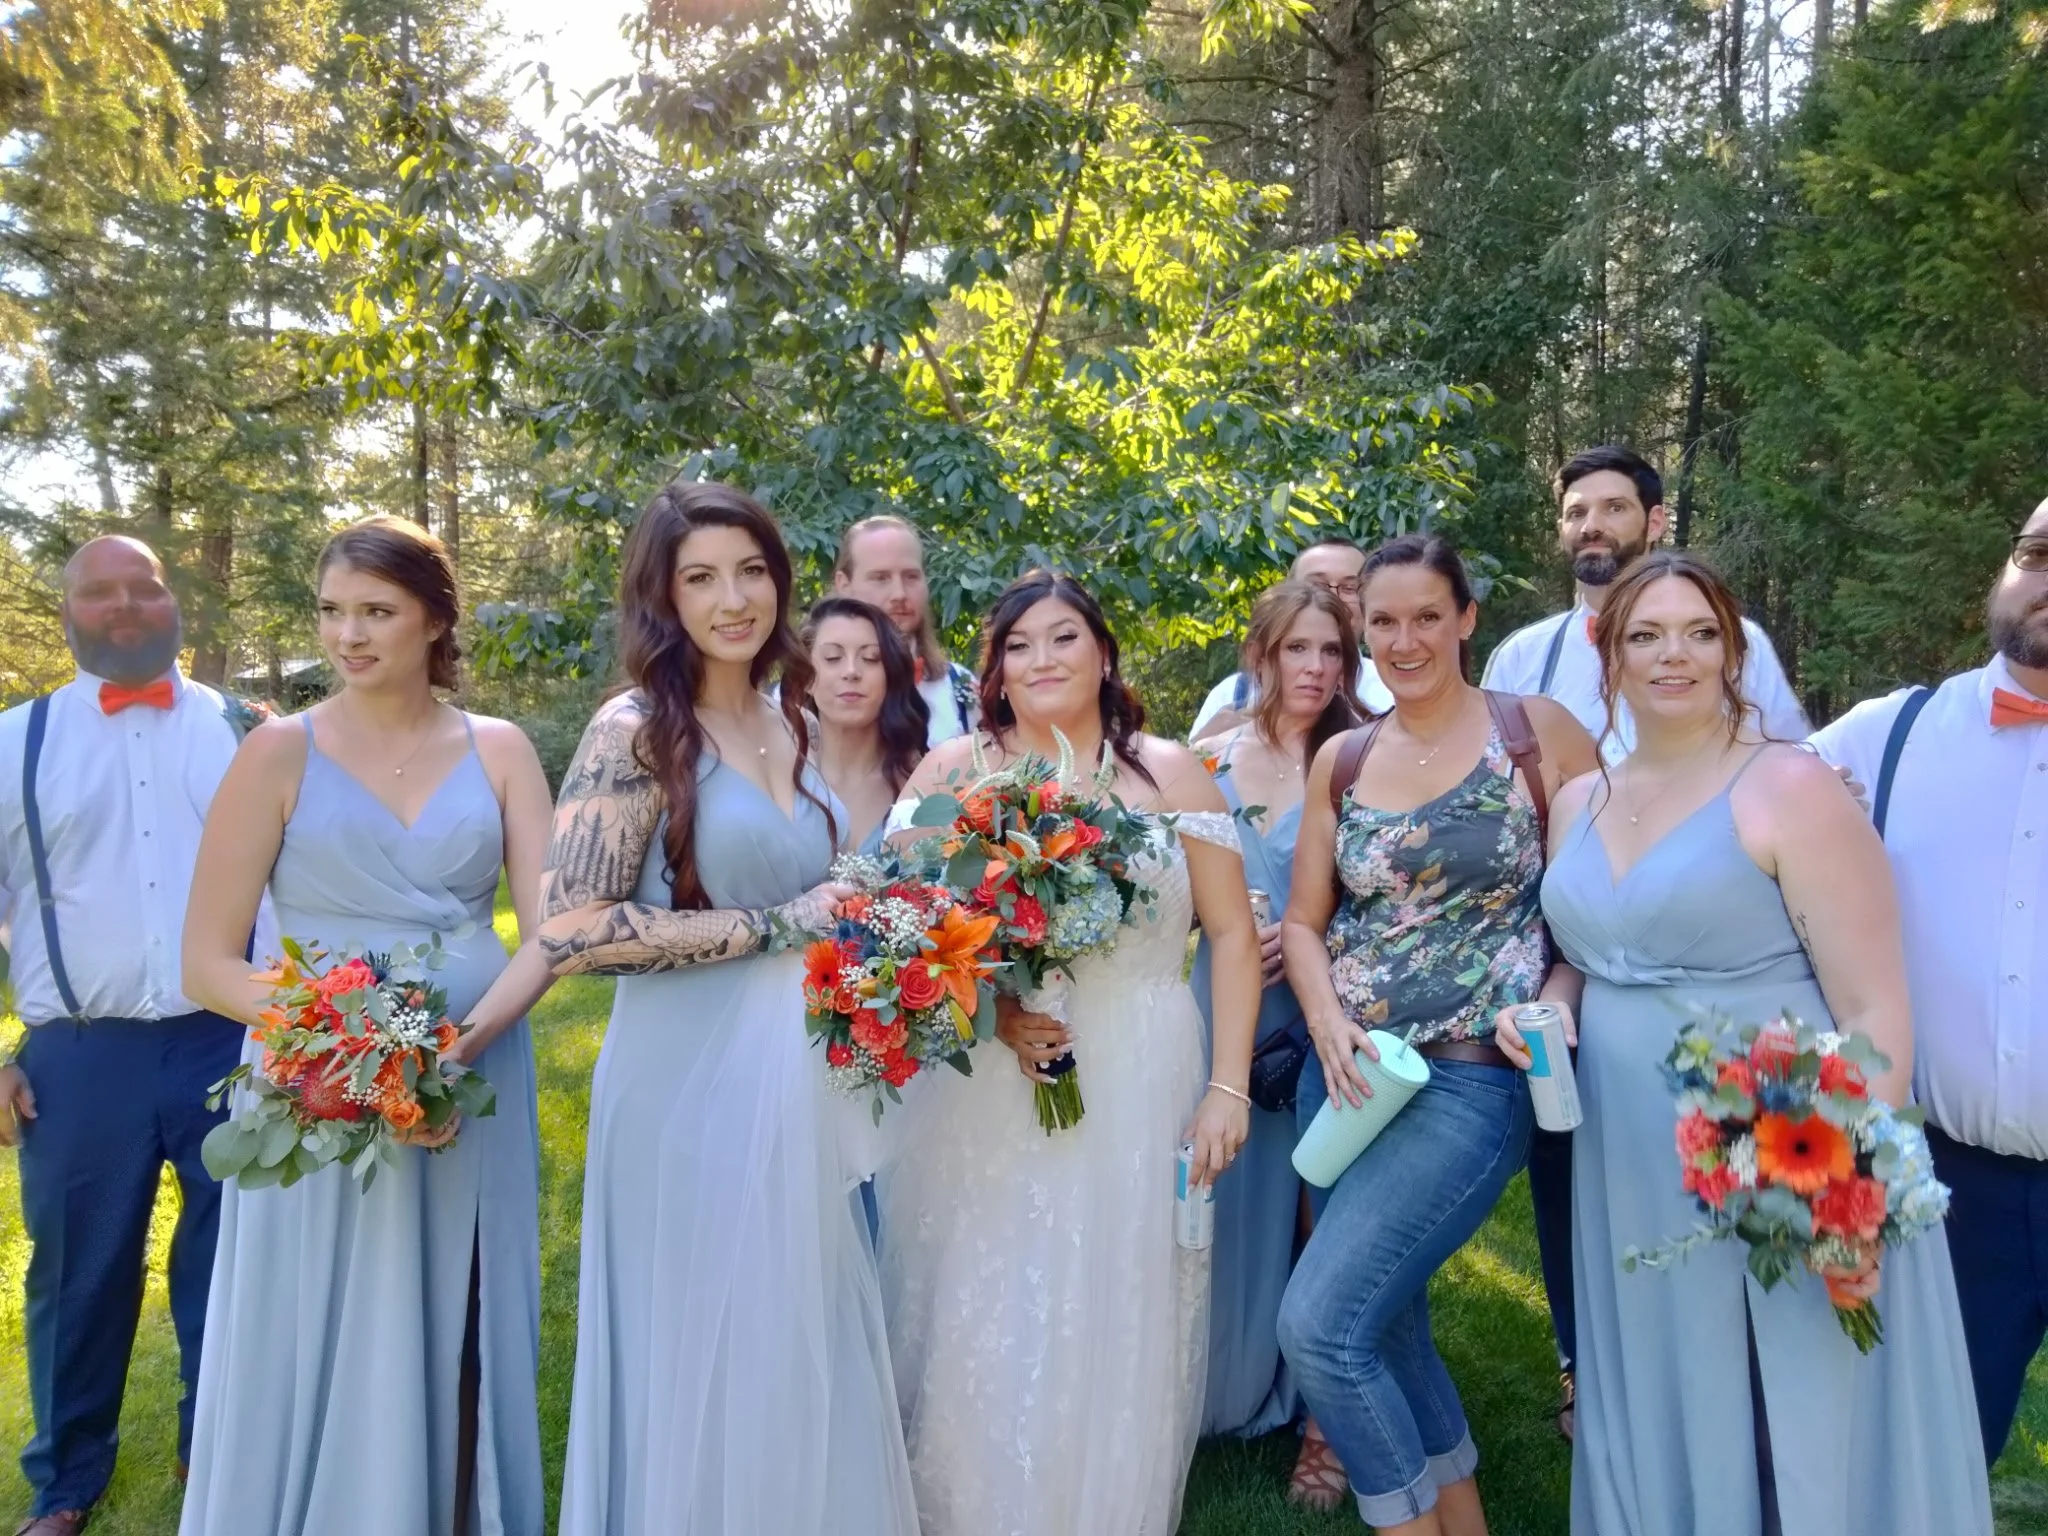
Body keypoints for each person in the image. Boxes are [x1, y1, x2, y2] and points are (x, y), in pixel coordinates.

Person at [1501, 548, 1991, 1536]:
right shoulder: (1577, 798)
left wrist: (1848, 1191)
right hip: (1623, 1151)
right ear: (1607, 650)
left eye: (1697, 633)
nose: (1670, 655)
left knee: (1789, 1398)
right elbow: (1592, 957)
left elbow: (1873, 1010)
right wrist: (1544, 1006)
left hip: (1773, 1129)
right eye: (1644, 634)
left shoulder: (1787, 790)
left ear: (1732, 649)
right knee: (1663, 1379)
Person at [543, 482, 919, 1536]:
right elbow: (570, 930)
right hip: (682, 1087)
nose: (733, 598)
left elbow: (831, 891)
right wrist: (769, 927)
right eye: (700, 577)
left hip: (795, 1074)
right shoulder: (634, 729)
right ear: (661, 595)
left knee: (792, 1329)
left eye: (751, 570)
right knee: (704, 1334)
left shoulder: (788, 711)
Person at [179, 518, 556, 1536]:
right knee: (320, 1313)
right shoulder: (275, 753)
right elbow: (208, 962)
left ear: (434, 619)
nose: (348, 634)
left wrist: (453, 1047)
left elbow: (552, 932)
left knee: (459, 1305)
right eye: (332, 611)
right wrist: (350, 1043)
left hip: (474, 1074)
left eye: (375, 611)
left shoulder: (502, 751)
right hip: (317, 1080)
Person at [877, 569, 1261, 1536]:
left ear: (1103, 655)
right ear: (994, 670)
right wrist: (995, 1010)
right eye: (1019, 645)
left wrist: (1228, 1086)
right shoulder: (952, 773)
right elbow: (897, 927)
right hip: (992, 1080)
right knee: (985, 1296)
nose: (1042, 660)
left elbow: (1230, 935)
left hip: (1140, 1061)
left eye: (1064, 639)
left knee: (1113, 1300)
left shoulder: (1171, 773)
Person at [1478, 444, 1809, 1437]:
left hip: (1704, 942)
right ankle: (1585, 1358)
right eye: (1575, 509)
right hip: (1566, 934)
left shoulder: (1733, 638)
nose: (1591, 525)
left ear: (1651, 522)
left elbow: (1785, 764)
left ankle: (1731, 1377)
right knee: (1565, 1163)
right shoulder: (1519, 656)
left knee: (1710, 1191)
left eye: (1612, 508)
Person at [1276, 534, 1596, 1534]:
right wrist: (1324, 1024)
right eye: (1382, 620)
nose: (1403, 639)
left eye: (1425, 616)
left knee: (1320, 1327)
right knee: (1391, 1324)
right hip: (1342, 1079)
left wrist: (1558, 998)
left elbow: (1598, 903)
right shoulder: (1344, 757)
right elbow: (1301, 921)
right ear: (1359, 627)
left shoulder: (1535, 735)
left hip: (1469, 1081)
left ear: (1465, 618)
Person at [0, 537, 255, 1536]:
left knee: (231, 1260)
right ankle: (66, 1481)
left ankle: (217, 1454)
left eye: (140, 587)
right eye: (96, 591)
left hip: (229, 1042)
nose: (121, 605)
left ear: (172, 600)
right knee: (77, 1274)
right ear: (66, 612)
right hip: (77, 1053)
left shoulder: (247, 732)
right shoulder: (13, 742)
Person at [1809, 496, 2048, 1467]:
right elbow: (1709, 831)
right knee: (1921, 1471)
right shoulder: (1883, 737)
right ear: (2002, 570)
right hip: (1951, 1192)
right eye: (2036, 552)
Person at [1190, 583, 1359, 1461]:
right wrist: (1212, 931)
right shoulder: (1204, 764)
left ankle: (1326, 1426)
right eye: (1299, 649)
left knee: (1325, 1209)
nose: (1317, 668)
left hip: (1324, 1008)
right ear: (1262, 653)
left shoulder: (1362, 758)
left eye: (1333, 651)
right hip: (1219, 1002)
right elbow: (1155, 887)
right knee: (1220, 1194)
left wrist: (1306, 942)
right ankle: (1213, 1380)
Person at [1191, 536, 1395, 739]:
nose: (1334, 598)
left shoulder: (1393, 690)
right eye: (1317, 585)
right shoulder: (1232, 695)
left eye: (1349, 588)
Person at [801, 595, 930, 855]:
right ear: (805, 677)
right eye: (833, 657)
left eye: (871, 658)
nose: (851, 671)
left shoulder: (922, 782)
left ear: (890, 676)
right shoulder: (782, 776)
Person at [833, 514, 978, 745]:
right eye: (881, 578)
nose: (899, 593)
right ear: (844, 585)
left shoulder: (960, 686)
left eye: (911, 576)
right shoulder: (804, 690)